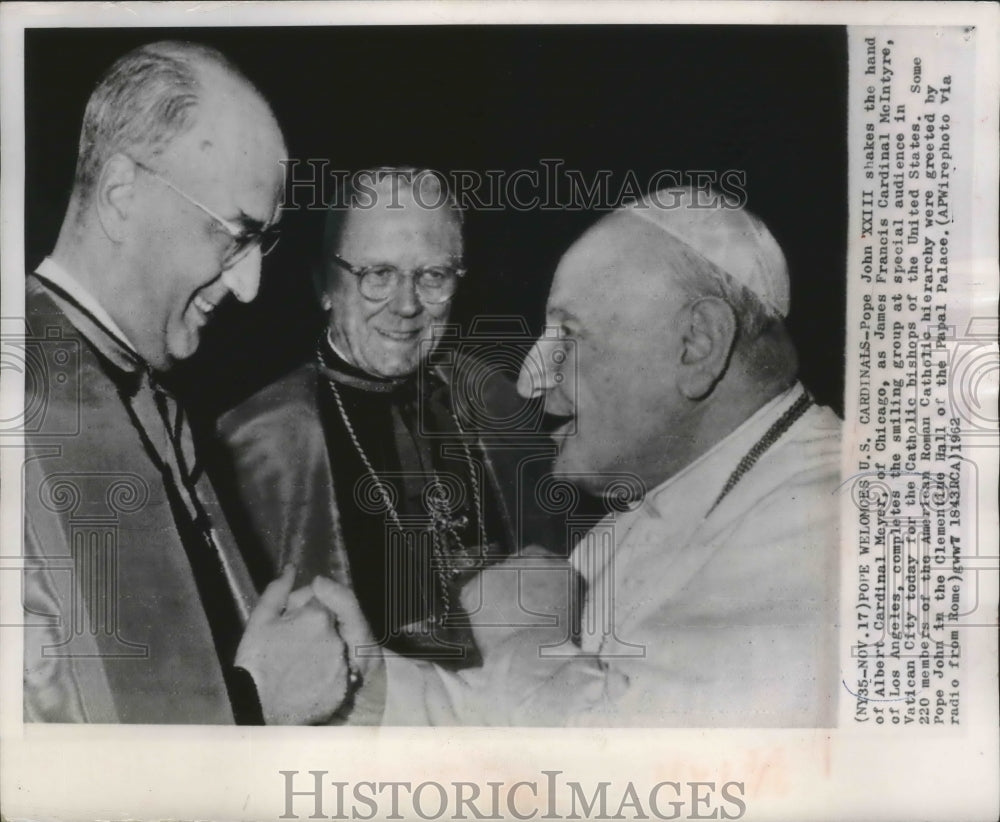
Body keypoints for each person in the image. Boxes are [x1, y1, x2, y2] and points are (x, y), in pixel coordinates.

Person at [318, 186, 842, 727]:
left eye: (568, 334)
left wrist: (524, 637)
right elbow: (491, 717)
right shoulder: (641, 512)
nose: (529, 379)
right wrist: (359, 686)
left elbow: (646, 781)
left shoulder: (838, 519)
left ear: (698, 344)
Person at [23, 41, 351, 725]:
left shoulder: (153, 406)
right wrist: (262, 709)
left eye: (264, 244)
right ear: (121, 194)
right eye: (235, 235)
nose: (250, 283)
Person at [215, 168, 552, 678]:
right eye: (378, 274)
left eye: (433, 275)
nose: (407, 305)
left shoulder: (494, 399)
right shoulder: (259, 437)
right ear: (326, 284)